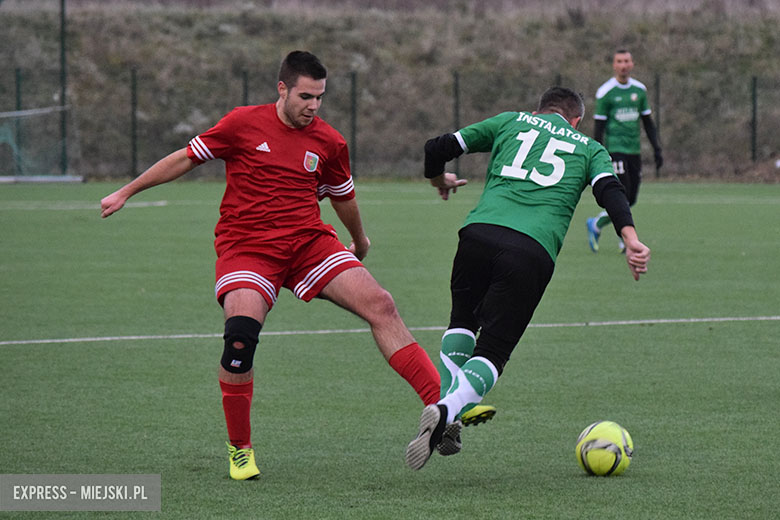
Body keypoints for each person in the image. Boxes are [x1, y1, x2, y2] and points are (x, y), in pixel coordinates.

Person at [100, 51, 445, 481]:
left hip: (308, 244)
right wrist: (126, 192)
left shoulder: (330, 142)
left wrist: (359, 240)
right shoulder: (242, 123)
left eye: (320, 98)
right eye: (305, 96)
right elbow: (186, 157)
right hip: (248, 248)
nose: (313, 106)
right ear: (282, 89)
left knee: (382, 304)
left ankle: (441, 406)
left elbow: (343, 197)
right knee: (240, 339)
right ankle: (240, 450)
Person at [405, 86, 651, 470]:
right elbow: (610, 191)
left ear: (540, 110)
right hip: (530, 249)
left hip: (477, 234)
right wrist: (630, 238)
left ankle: (448, 413)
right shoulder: (589, 148)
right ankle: (447, 407)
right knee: (494, 351)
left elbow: (436, 147)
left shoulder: (509, 121)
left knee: (462, 323)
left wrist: (439, 181)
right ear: (576, 120)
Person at [586, 49, 663, 253]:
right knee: (622, 196)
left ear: (632, 64)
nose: (623, 65)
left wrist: (657, 149)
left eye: (626, 61)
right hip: (615, 150)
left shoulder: (639, 90)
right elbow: (599, 127)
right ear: (614, 65)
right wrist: (598, 153)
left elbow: (648, 122)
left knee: (632, 197)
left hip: (633, 151)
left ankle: (596, 224)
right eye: (619, 61)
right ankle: (625, 239)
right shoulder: (605, 92)